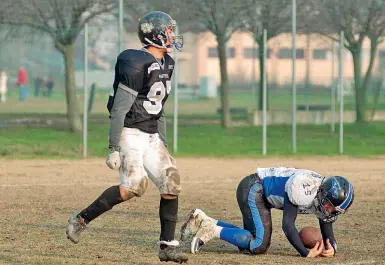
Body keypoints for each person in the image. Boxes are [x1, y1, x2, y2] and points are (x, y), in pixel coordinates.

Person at [66, 11, 187, 263]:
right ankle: (81, 219)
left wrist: (163, 141)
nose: (174, 34)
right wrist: (113, 146)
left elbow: (158, 106)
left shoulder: (168, 63)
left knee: (171, 183)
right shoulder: (135, 62)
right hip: (130, 133)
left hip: (151, 134)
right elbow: (120, 108)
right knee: (134, 187)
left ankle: (166, 246)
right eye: (169, 30)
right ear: (156, 35)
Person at [181, 167, 354, 258]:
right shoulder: (304, 188)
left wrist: (331, 247)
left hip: (259, 193)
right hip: (254, 189)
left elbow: (326, 223)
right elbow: (288, 225)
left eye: (336, 210)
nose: (331, 212)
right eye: (331, 206)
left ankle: (203, 220)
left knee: (248, 240)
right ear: (323, 195)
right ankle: (212, 230)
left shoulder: (322, 194)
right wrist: (305, 252)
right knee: (258, 245)